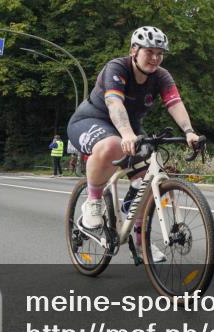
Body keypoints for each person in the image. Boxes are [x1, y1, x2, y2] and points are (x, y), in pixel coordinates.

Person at [67, 26, 200, 240]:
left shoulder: (161, 76)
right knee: (112, 145)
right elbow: (114, 102)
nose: (155, 58)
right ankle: (93, 201)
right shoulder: (117, 68)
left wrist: (189, 131)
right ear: (133, 50)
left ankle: (140, 243)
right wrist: (127, 134)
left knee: (148, 179)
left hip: (131, 127)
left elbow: (175, 103)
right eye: (149, 52)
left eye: (160, 54)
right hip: (93, 120)